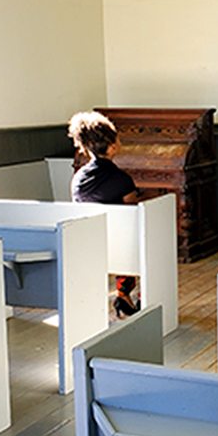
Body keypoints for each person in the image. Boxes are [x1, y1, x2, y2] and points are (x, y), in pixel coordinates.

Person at [68, 111, 140, 318]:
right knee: (137, 238)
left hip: (87, 241)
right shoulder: (121, 179)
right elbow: (131, 215)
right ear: (112, 147)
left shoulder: (78, 177)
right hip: (117, 242)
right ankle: (125, 294)